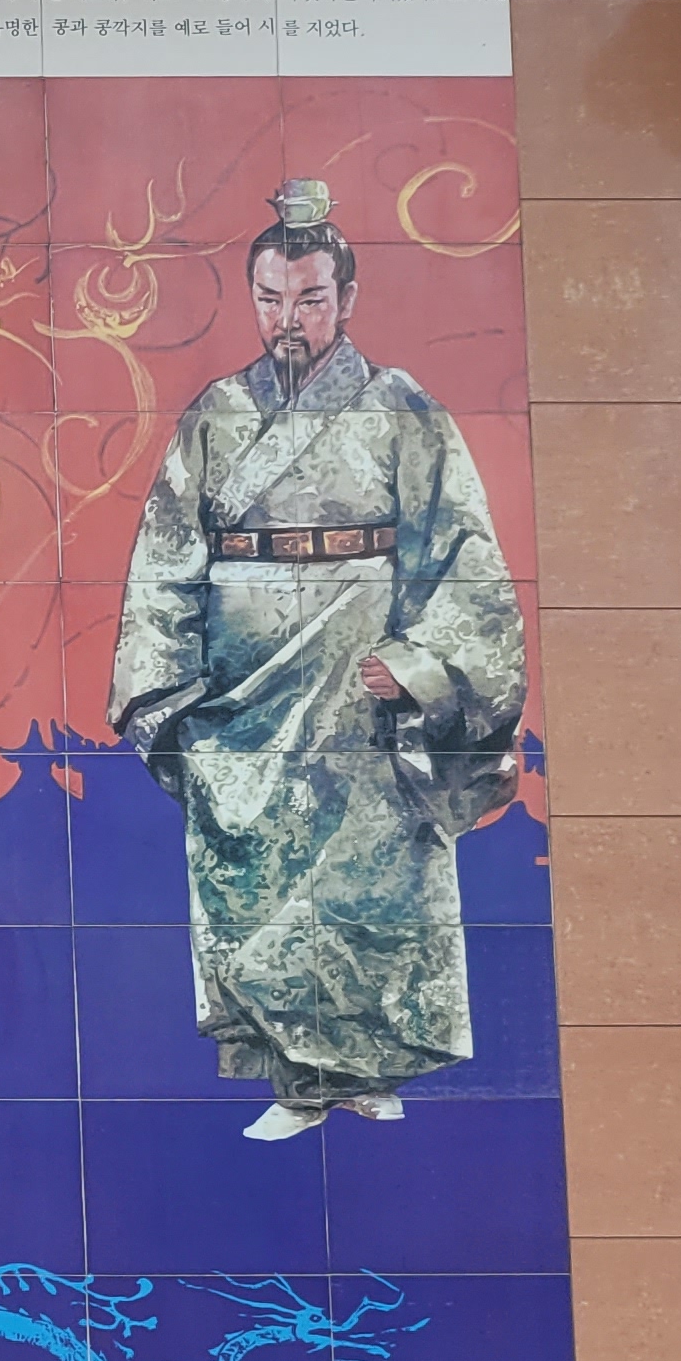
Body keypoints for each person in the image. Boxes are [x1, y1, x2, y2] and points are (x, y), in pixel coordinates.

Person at [111, 181, 526, 1140]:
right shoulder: (216, 415)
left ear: (346, 298)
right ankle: (295, 1076)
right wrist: (171, 695)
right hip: (241, 689)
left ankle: (365, 1070)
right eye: (270, 299)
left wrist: (423, 666)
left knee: (367, 876)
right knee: (255, 875)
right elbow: (166, 562)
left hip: (361, 681)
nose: (287, 320)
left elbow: (462, 554)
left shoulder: (402, 409)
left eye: (308, 299)